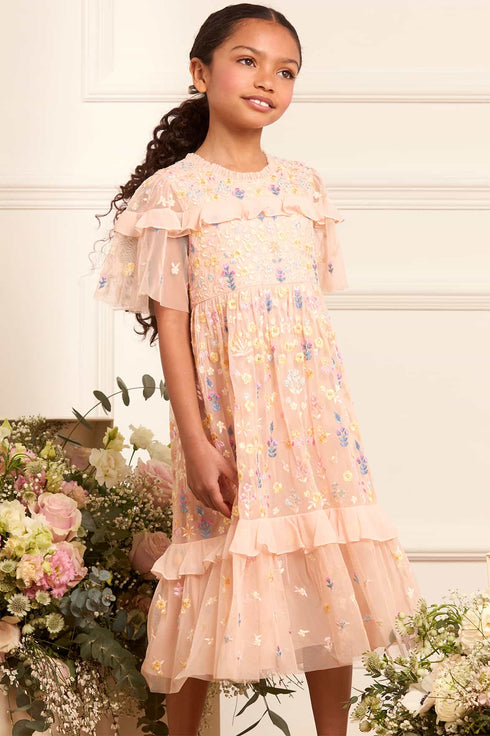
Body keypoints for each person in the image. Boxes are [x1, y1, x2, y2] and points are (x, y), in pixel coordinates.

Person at [92, 4, 423, 735]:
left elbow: (305, 327)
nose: (268, 80)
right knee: (209, 568)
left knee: (327, 563)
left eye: (286, 70)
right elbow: (173, 329)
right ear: (200, 71)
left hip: (314, 423)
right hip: (225, 421)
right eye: (248, 61)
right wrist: (196, 442)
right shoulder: (173, 194)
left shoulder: (304, 186)